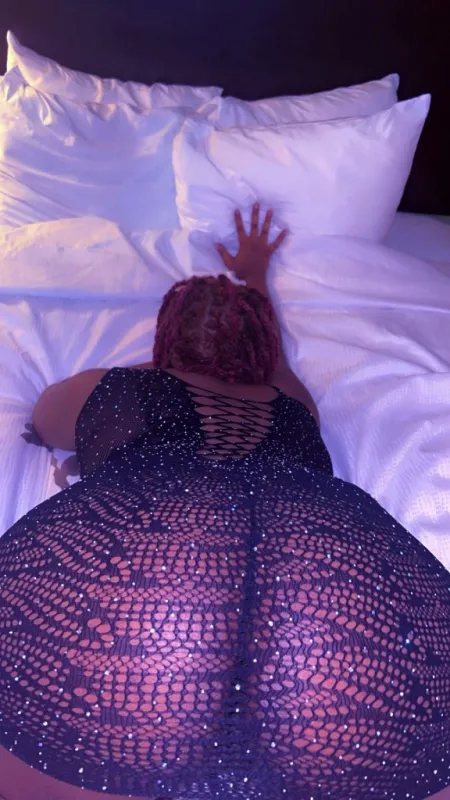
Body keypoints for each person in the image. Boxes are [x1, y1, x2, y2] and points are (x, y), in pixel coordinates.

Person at [0, 204, 449, 800]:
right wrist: (256, 280)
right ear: (261, 354)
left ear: (164, 342)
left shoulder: (119, 389)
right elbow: (278, 364)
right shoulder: (292, 407)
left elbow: (44, 419)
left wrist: (158, 369)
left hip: (151, 569)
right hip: (322, 575)